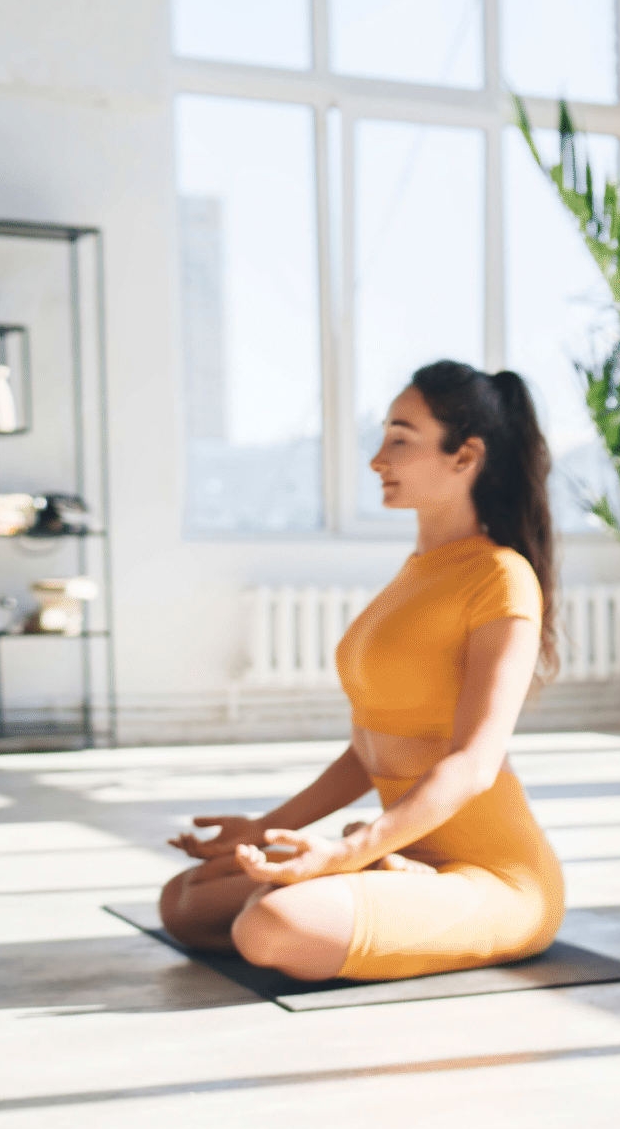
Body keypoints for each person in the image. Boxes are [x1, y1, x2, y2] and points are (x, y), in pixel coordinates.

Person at [156, 362, 565, 982]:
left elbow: (475, 764)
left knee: (271, 925)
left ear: (466, 457)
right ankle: (385, 874)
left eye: (401, 438)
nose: (378, 459)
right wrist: (267, 828)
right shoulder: (418, 571)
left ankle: (381, 875)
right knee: (185, 901)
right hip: (399, 842)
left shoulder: (502, 578)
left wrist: (348, 850)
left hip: (496, 876)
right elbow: (369, 750)